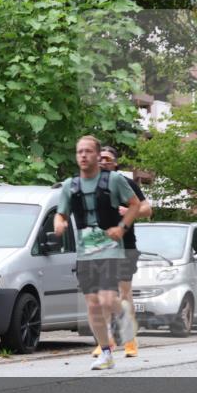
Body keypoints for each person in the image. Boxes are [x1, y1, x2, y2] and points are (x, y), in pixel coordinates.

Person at [55, 135, 142, 370]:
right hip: (85, 253)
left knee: (106, 299)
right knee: (93, 305)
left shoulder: (114, 180)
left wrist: (122, 227)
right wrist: (59, 223)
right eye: (79, 151)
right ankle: (106, 353)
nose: (83, 155)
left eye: (88, 151)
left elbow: (135, 204)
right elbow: (61, 213)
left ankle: (124, 319)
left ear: (96, 155)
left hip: (111, 249)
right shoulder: (70, 185)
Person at [91, 146, 152, 358]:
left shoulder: (126, 183)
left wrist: (129, 211)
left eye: (107, 159)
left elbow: (147, 209)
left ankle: (129, 339)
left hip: (125, 245)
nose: (103, 162)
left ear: (115, 163)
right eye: (100, 158)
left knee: (124, 293)